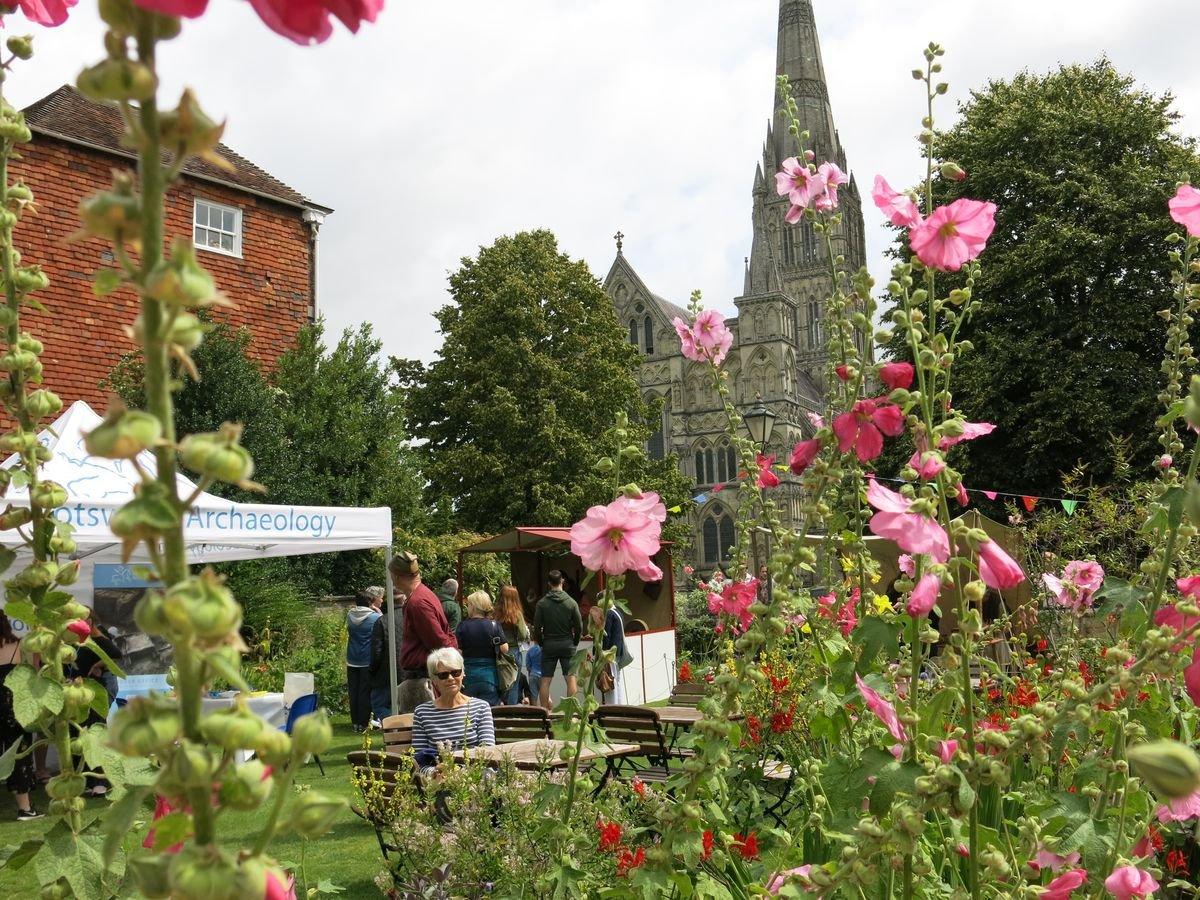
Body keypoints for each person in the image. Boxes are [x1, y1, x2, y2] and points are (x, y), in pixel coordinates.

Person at [411, 647, 495, 777]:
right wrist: (434, 772)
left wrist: (460, 772)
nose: (450, 678)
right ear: (434, 680)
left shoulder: (481, 707)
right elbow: (419, 762)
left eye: (455, 672)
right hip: (439, 780)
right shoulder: (423, 713)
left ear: (463, 674)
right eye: (443, 675)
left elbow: (488, 753)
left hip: (475, 776)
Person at [393, 551, 458, 714]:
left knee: (424, 735)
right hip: (425, 676)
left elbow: (440, 643)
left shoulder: (418, 602)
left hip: (425, 679)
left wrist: (452, 663)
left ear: (396, 576)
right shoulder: (423, 594)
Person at [0, 615, 41, 820]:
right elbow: (34, 673)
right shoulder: (19, 645)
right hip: (13, 709)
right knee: (18, 755)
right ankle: (25, 809)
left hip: (10, 709)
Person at [532, 570, 582, 709]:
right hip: (567, 643)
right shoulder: (571, 603)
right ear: (562, 581)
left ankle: (545, 713)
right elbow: (579, 626)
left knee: (545, 681)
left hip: (549, 644)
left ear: (549, 584)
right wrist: (575, 642)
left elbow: (536, 628)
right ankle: (570, 713)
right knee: (571, 679)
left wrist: (542, 643)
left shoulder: (542, 604)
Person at [455, 591, 508, 706]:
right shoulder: (494, 625)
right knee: (489, 712)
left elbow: (458, 652)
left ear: (473, 607)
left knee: (468, 712)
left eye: (468, 605)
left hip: (468, 677)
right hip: (490, 677)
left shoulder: (462, 626)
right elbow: (504, 649)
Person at [346, 587, 383, 732]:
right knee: (365, 692)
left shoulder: (350, 615)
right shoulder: (374, 618)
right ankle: (363, 722)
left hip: (352, 657)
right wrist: (377, 610)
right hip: (367, 658)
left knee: (353, 691)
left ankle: (355, 722)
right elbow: (382, 623)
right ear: (370, 602)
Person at [368, 587, 402, 722]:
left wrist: (372, 670)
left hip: (385, 672)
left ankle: (395, 726)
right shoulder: (413, 618)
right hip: (408, 671)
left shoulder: (382, 621)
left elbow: (376, 651)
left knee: (379, 705)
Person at [496, 586, 529, 705]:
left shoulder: (496, 614)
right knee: (513, 685)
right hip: (514, 651)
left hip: (498, 652)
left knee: (500, 684)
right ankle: (511, 713)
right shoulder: (517, 614)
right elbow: (522, 634)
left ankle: (500, 711)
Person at [588, 604, 627, 705]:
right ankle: (619, 705)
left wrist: (600, 654)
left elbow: (606, 635)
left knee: (609, 681)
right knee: (616, 681)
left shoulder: (609, 614)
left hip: (609, 654)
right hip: (616, 652)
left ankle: (612, 706)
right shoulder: (617, 612)